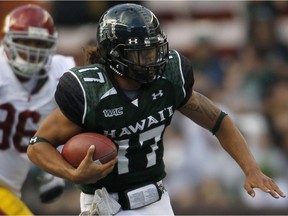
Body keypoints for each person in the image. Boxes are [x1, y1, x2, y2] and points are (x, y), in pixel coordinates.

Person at [27, 3, 286, 215]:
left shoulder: (169, 78)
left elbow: (219, 121)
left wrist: (251, 169)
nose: (154, 60)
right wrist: (72, 173)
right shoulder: (91, 92)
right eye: (142, 54)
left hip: (156, 201)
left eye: (155, 50)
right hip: (105, 205)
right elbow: (38, 145)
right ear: (115, 55)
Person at [0, 4, 76, 215]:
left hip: (9, 189)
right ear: (7, 41)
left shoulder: (62, 75)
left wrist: (52, 168)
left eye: (38, 43)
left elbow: (63, 128)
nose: (31, 49)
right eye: (25, 42)